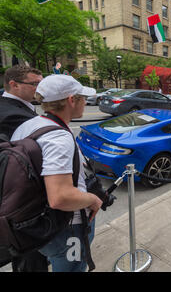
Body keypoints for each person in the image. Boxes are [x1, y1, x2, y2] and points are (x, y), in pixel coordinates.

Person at [11, 74, 103, 272]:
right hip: (67, 227)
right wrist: (93, 200)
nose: (85, 103)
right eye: (82, 98)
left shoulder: (30, 125)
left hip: (37, 221)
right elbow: (60, 197)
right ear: (71, 100)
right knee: (73, 268)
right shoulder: (58, 138)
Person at [0, 65, 48, 272]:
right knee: (29, 254)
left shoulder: (17, 106)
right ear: (14, 85)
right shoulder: (12, 115)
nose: (40, 89)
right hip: (21, 198)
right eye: (35, 84)